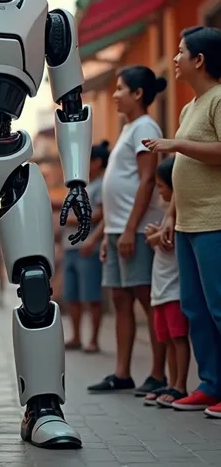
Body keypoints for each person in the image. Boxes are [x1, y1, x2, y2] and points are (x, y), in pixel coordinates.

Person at [144, 26, 221, 416]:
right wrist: (171, 215)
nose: (175, 59)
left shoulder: (219, 99)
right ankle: (210, 385)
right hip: (189, 221)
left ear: (199, 60)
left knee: (220, 305)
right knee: (194, 307)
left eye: (180, 52)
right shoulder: (190, 107)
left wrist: (175, 144)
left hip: (215, 220)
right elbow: (184, 172)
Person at [88, 66, 167, 397]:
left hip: (134, 230)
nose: (115, 94)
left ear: (138, 94)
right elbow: (118, 189)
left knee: (147, 301)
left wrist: (130, 229)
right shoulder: (128, 127)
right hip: (118, 230)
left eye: (121, 88)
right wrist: (108, 233)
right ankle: (122, 373)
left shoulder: (146, 126)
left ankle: (158, 374)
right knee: (121, 300)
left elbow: (148, 180)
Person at [143, 157, 190, 408]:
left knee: (178, 338)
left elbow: (165, 240)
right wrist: (154, 234)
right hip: (161, 290)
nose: (159, 191)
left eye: (162, 186)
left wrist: (153, 236)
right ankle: (173, 383)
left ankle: (181, 385)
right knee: (168, 339)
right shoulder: (167, 213)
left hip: (173, 289)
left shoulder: (179, 211)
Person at [63, 140, 109, 354]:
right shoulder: (82, 186)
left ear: (97, 162)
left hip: (88, 246)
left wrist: (73, 220)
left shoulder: (102, 186)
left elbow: (101, 214)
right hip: (70, 246)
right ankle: (76, 336)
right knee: (72, 295)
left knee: (91, 295)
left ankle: (94, 339)